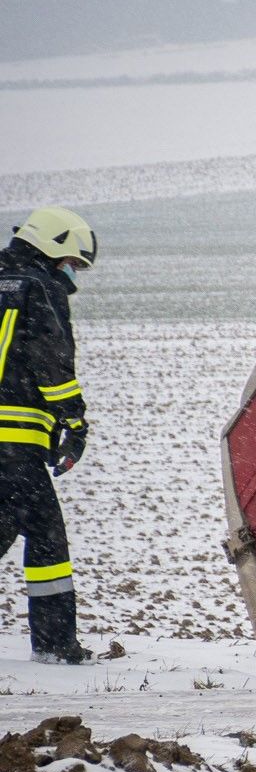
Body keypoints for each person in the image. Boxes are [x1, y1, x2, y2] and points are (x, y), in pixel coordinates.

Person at [1, 207, 97, 665]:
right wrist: (74, 422)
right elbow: (52, 362)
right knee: (43, 535)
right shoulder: (38, 288)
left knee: (26, 527)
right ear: (54, 245)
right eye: (72, 262)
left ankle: (55, 643)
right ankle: (56, 644)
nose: (71, 273)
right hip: (12, 439)